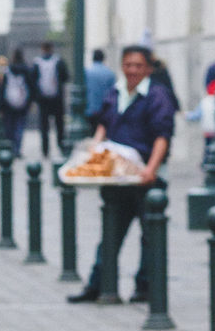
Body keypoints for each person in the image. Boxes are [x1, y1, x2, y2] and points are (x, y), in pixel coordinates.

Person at [68, 43, 175, 305]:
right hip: (116, 175)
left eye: (138, 65)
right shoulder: (114, 92)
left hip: (146, 176)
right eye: (128, 65)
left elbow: (163, 136)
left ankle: (146, 287)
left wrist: (151, 169)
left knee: (151, 235)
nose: (133, 70)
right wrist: (96, 145)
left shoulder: (157, 95)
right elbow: (104, 123)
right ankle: (99, 284)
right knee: (111, 232)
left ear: (148, 68)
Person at [33, 39, 69, 158]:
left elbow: (33, 80)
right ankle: (61, 146)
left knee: (44, 126)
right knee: (59, 125)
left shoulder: (37, 63)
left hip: (43, 100)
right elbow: (66, 77)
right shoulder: (58, 61)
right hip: (57, 99)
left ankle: (45, 150)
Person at [1, 47, 33, 153]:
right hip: (23, 102)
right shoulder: (26, 70)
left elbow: (3, 88)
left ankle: (11, 147)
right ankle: (17, 148)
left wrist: (1, 104)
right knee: (20, 126)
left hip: (9, 103)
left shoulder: (8, 70)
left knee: (9, 126)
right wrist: (30, 102)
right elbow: (31, 87)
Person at [84, 47, 116, 131]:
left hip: (90, 108)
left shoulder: (87, 72)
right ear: (103, 58)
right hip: (104, 109)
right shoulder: (110, 73)